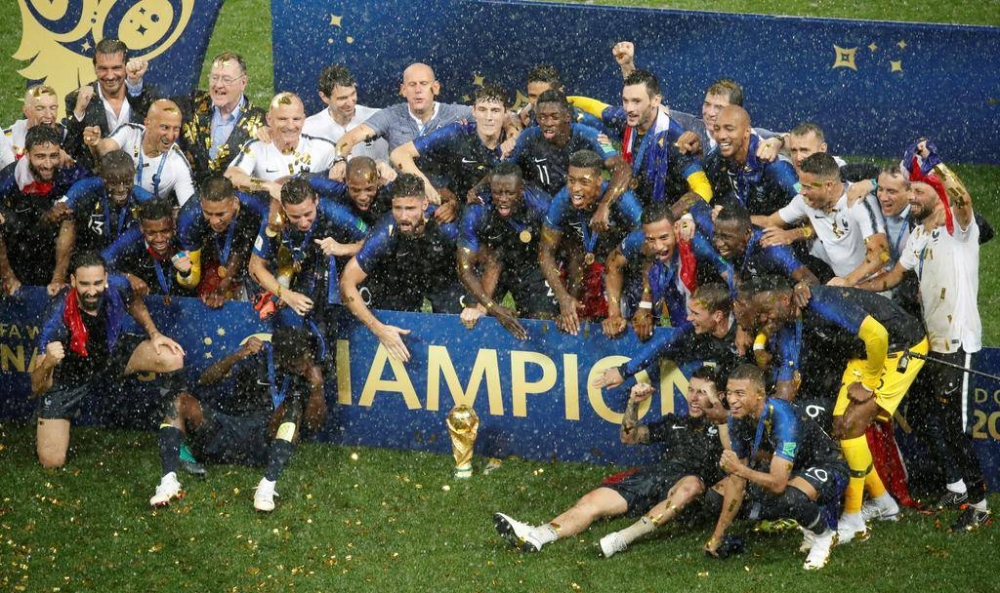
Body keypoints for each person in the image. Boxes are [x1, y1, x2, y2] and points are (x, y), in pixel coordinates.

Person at [858, 144, 991, 531]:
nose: (911, 197)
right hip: (935, 344)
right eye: (910, 190)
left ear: (937, 192)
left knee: (957, 429)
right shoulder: (919, 234)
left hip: (959, 342)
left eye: (918, 190)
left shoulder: (959, 229)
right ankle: (965, 492)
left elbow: (963, 199)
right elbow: (893, 277)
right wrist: (851, 290)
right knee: (947, 424)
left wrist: (940, 167)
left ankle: (979, 505)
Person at [736, 275, 927, 543]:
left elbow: (878, 335)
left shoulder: (823, 302)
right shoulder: (788, 324)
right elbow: (785, 386)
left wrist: (869, 384)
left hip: (900, 346)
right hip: (865, 355)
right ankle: (884, 504)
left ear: (785, 299)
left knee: (850, 427)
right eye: (761, 315)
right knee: (841, 428)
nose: (766, 319)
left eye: (767, 311)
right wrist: (773, 418)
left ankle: (853, 519)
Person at [494, 366, 727, 556]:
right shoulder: (676, 422)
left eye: (702, 392)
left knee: (690, 486)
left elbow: (734, 455)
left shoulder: (728, 427)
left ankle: (623, 538)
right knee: (590, 503)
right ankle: (537, 535)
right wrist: (633, 403)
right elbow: (629, 437)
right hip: (654, 479)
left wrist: (721, 416)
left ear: (720, 396)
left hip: (689, 491)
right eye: (691, 390)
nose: (693, 398)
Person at [32, 250, 186, 469]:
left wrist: (154, 333)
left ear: (105, 278)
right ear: (73, 281)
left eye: (97, 283)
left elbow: (133, 301)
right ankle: (45, 427)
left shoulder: (118, 285)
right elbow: (36, 386)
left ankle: (175, 438)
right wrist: (48, 362)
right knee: (52, 461)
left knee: (173, 357)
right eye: (84, 284)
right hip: (69, 377)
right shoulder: (56, 316)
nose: (92, 291)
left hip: (110, 356)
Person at [152, 327, 327, 511]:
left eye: (305, 360)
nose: (304, 367)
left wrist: (317, 388)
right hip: (226, 429)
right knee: (180, 401)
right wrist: (239, 354)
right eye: (297, 362)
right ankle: (168, 481)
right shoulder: (257, 358)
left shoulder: (309, 374)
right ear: (280, 356)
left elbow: (313, 425)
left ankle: (267, 486)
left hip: (266, 441)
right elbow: (205, 379)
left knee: (293, 407)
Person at [706, 364, 847, 571]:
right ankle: (810, 524)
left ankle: (824, 536)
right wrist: (717, 537)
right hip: (793, 468)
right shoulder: (737, 419)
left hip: (829, 465)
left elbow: (778, 483)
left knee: (786, 497)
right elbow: (737, 481)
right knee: (750, 490)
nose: (732, 400)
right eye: (728, 393)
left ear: (759, 395)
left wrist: (740, 470)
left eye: (740, 393)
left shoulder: (784, 418)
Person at [339, 173, 463, 362]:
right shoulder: (385, 231)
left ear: (425, 204)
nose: (403, 216)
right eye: (398, 208)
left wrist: (477, 305)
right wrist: (380, 330)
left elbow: (483, 261)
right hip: (401, 276)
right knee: (396, 322)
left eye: (410, 208)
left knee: (456, 327)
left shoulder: (446, 227)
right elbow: (347, 282)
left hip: (442, 275)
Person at [248, 177, 369, 335]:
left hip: (331, 279)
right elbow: (254, 267)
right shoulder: (274, 220)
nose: (304, 222)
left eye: (308, 214)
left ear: (316, 200)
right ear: (284, 207)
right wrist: (286, 294)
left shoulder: (335, 212)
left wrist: (343, 248)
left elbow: (373, 243)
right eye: (295, 217)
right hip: (291, 277)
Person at [538, 150, 642, 335]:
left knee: (626, 323)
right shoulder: (562, 200)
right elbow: (545, 252)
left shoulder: (623, 200)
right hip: (584, 265)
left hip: (622, 266)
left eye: (584, 182)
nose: (575, 189)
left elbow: (648, 237)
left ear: (599, 181)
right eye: (571, 180)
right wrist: (563, 297)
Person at [603, 202, 732, 341]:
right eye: (651, 239)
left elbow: (732, 278)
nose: (658, 246)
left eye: (664, 237)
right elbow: (613, 264)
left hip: (702, 306)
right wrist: (614, 313)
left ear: (675, 228)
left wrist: (740, 329)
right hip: (667, 305)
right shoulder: (638, 240)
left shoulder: (695, 241)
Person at [756, 152, 888, 288]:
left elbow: (880, 254)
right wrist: (742, 219)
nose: (802, 192)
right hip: (842, 284)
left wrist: (848, 281)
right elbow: (768, 221)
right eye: (801, 185)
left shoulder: (858, 202)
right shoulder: (806, 200)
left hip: (875, 285)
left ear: (828, 185)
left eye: (808, 187)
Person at [456, 163, 555, 338]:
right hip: (491, 264)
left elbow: (556, 250)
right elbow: (465, 269)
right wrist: (492, 308)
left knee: (544, 324)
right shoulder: (476, 209)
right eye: (497, 193)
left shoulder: (542, 205)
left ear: (521, 189)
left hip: (531, 264)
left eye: (509, 193)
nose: (503, 198)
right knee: (471, 317)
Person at [507, 90, 631, 225]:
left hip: (584, 206)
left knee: (619, 194)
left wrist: (605, 205)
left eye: (554, 117)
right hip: (546, 210)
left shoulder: (589, 135)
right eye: (542, 118)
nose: (548, 123)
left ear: (567, 116)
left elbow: (622, 169)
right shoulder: (528, 137)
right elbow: (504, 172)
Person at [594, 283, 742, 390]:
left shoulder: (745, 334)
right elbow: (661, 345)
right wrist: (624, 371)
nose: (689, 318)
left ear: (717, 316)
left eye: (695, 314)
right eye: (690, 312)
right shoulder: (690, 330)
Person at [47, 150, 156, 295]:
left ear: (133, 176)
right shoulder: (86, 188)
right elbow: (60, 208)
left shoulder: (142, 197)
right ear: (102, 177)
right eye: (114, 183)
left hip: (126, 258)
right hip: (90, 254)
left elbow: (162, 213)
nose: (121, 189)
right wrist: (57, 211)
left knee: (153, 224)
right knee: (68, 220)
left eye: (127, 182)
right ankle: (58, 279)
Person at [391, 83, 511, 209]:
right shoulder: (457, 133)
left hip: (493, 207)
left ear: (505, 113)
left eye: (495, 111)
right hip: (450, 203)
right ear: (473, 111)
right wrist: (427, 187)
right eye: (482, 110)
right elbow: (399, 154)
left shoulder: (514, 142)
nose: (488, 117)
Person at [0, 126, 89, 294]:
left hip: (53, 246)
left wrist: (68, 201)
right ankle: (8, 279)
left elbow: (94, 185)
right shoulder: (9, 180)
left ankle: (58, 280)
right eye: (40, 156)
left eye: (53, 156)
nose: (48, 164)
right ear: (27, 154)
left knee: (70, 214)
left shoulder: (69, 170)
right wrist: (6, 274)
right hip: (19, 245)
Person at [336, 63, 473, 156]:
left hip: (448, 189)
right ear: (403, 90)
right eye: (412, 85)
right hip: (403, 189)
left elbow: (485, 117)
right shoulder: (390, 116)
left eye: (423, 84)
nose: (418, 90)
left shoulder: (456, 113)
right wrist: (339, 160)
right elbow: (349, 138)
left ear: (435, 88)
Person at [225, 92, 339, 202]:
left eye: (296, 119)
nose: (290, 126)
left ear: (303, 119)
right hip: (271, 210)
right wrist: (269, 186)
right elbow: (231, 176)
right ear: (269, 119)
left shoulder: (322, 147)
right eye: (283, 119)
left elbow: (346, 167)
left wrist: (340, 164)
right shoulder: (257, 147)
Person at [175, 51, 268, 185]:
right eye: (214, 78)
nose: (218, 85)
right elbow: (156, 107)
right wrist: (140, 81)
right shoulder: (193, 103)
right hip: (189, 192)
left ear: (243, 82)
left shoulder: (262, 123)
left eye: (226, 79)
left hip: (234, 196)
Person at [63, 39, 158, 169]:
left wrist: (135, 86)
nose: (110, 76)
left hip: (141, 174)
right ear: (95, 68)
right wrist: (79, 111)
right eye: (103, 68)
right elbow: (71, 150)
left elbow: (157, 137)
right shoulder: (76, 99)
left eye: (116, 68)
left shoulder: (148, 96)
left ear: (126, 67)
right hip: (97, 177)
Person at [175, 174, 268, 307]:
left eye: (220, 214)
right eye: (208, 213)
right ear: (201, 204)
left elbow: (246, 248)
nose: (214, 221)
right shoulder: (187, 219)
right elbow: (192, 278)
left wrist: (224, 285)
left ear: (235, 203)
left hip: (253, 249)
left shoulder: (257, 206)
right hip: (211, 256)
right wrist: (185, 273)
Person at [90, 99, 197, 207]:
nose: (170, 136)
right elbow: (104, 151)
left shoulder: (180, 164)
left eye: (176, 129)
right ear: (147, 124)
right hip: (114, 207)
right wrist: (96, 143)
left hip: (150, 215)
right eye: (165, 127)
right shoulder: (129, 132)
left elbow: (189, 209)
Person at [709, 105, 799, 221]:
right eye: (717, 129)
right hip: (742, 226)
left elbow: (807, 207)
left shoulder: (776, 165)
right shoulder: (716, 157)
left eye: (729, 129)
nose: (721, 136)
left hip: (777, 230)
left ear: (747, 131)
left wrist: (735, 218)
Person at [101, 198, 196, 302]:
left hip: (184, 300)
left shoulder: (184, 234)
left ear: (173, 224)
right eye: (151, 233)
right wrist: (127, 278)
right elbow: (99, 265)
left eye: (165, 231)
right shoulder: (130, 241)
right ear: (142, 228)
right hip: (148, 298)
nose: (159, 239)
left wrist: (186, 273)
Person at [303, 64, 388, 161]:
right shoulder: (308, 129)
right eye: (342, 98)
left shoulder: (379, 117)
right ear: (324, 97)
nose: (350, 103)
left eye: (353, 94)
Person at [308, 156, 393, 227]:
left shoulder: (387, 192)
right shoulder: (337, 187)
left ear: (378, 182)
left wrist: (393, 176)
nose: (363, 197)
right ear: (346, 182)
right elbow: (303, 179)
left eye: (369, 189)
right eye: (356, 190)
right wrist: (338, 161)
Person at [1, 85, 65, 168]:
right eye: (40, 109)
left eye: (53, 108)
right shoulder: (10, 139)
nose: (48, 115)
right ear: (26, 111)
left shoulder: (65, 136)